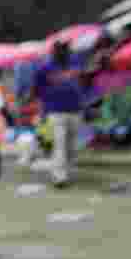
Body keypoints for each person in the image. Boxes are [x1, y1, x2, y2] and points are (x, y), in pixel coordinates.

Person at [32, 40, 88, 188]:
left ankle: (67, 172)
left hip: (76, 110)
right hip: (55, 112)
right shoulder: (44, 67)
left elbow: (84, 81)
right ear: (54, 52)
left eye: (65, 50)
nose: (63, 53)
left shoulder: (75, 63)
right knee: (59, 144)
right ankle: (59, 177)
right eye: (59, 50)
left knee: (72, 146)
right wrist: (43, 108)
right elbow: (37, 90)